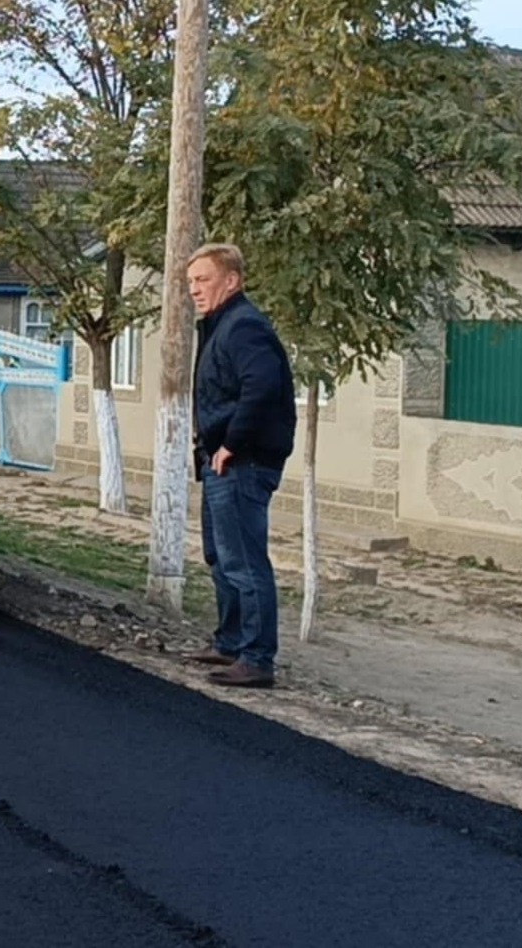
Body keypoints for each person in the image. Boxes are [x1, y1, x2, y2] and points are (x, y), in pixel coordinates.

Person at [183, 243, 296, 689]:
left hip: (242, 462)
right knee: (220, 557)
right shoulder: (220, 325)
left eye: (203, 279)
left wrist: (232, 443)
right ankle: (229, 643)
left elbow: (261, 387)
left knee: (245, 562)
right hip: (221, 460)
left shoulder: (244, 327)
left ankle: (256, 658)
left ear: (231, 280)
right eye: (191, 281)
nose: (194, 289)